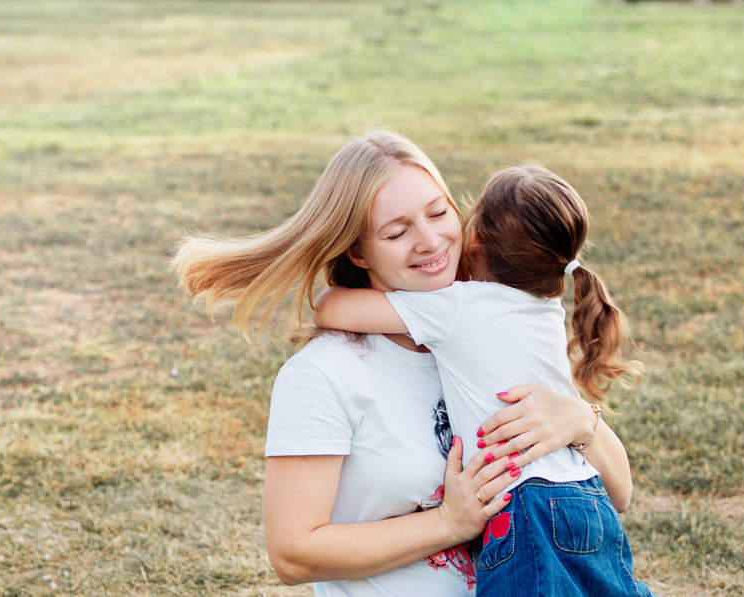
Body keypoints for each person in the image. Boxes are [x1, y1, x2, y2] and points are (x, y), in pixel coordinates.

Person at [172, 130, 638, 597]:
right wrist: (449, 522)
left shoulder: (483, 336)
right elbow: (292, 554)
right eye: (397, 232)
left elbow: (619, 496)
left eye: (439, 213)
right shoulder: (325, 373)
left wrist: (582, 421)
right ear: (357, 251)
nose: (431, 241)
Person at [313, 163, 651, 596]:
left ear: (473, 237)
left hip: (522, 505)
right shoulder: (548, 308)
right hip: (585, 496)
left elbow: (330, 309)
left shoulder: (458, 307)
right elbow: (621, 495)